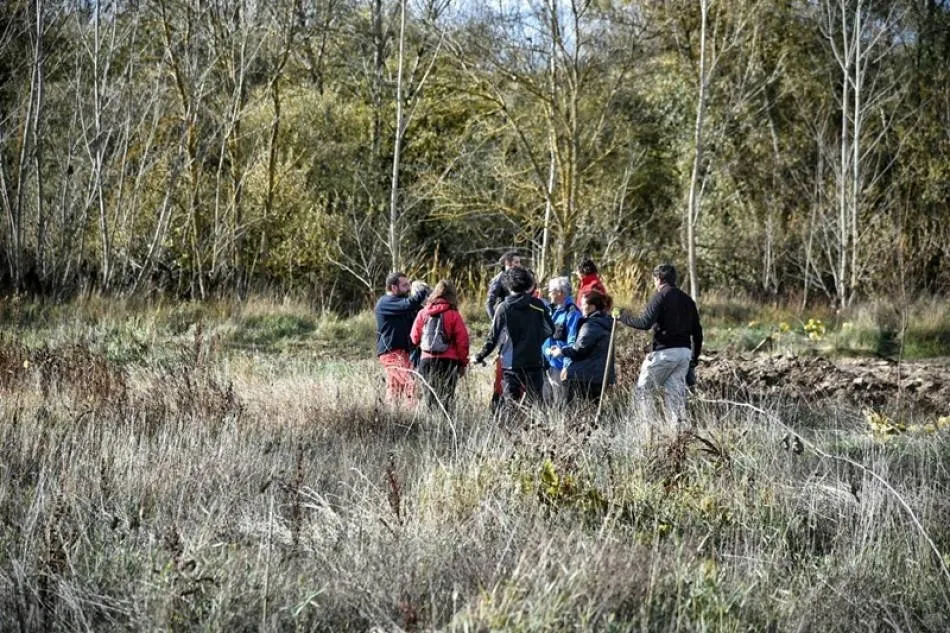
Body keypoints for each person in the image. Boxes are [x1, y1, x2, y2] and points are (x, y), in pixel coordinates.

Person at [614, 264, 703, 426]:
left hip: (664, 353)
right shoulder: (688, 300)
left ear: (657, 279)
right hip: (684, 354)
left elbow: (644, 323)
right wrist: (694, 358)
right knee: (676, 401)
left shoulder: (660, 296)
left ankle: (647, 435)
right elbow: (697, 332)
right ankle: (678, 437)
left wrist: (622, 316)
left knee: (643, 393)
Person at [474, 267, 554, 411]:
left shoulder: (503, 308)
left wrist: (480, 356)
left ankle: (513, 432)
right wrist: (535, 340)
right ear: (528, 283)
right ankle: (536, 432)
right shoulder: (538, 305)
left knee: (511, 405)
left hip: (511, 365)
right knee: (536, 405)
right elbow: (550, 329)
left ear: (507, 285)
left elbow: (493, 338)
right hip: (535, 361)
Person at [410, 280, 470, 412]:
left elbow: (414, 338)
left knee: (430, 401)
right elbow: (463, 342)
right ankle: (446, 430)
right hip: (448, 362)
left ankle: (431, 429)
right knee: (446, 400)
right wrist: (463, 362)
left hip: (426, 361)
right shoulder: (454, 314)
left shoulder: (423, 312)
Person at [550, 290, 616, 404]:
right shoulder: (606, 323)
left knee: (573, 412)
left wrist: (561, 351)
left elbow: (579, 350)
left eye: (583, 304)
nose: (580, 307)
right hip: (598, 377)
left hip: (583, 377)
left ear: (592, 307)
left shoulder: (591, 325)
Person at [375, 272, 430, 406]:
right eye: (405, 285)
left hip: (403, 353)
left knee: (394, 392)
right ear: (394, 288)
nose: (408, 288)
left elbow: (414, 312)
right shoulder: (385, 302)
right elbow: (408, 304)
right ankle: (411, 420)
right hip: (391, 354)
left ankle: (392, 420)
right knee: (412, 385)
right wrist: (423, 291)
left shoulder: (400, 304)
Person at [541, 276, 582, 405]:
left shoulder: (572, 312)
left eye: (550, 291)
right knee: (547, 401)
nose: (548, 294)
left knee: (560, 402)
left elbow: (572, 341)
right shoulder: (550, 309)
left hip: (559, 366)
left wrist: (566, 366)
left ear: (560, 293)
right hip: (547, 363)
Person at [486, 251, 522, 319]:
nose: (519, 265)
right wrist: (496, 321)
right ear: (507, 263)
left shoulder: (520, 276)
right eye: (516, 262)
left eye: (519, 262)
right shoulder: (498, 279)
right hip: (505, 316)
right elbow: (489, 304)